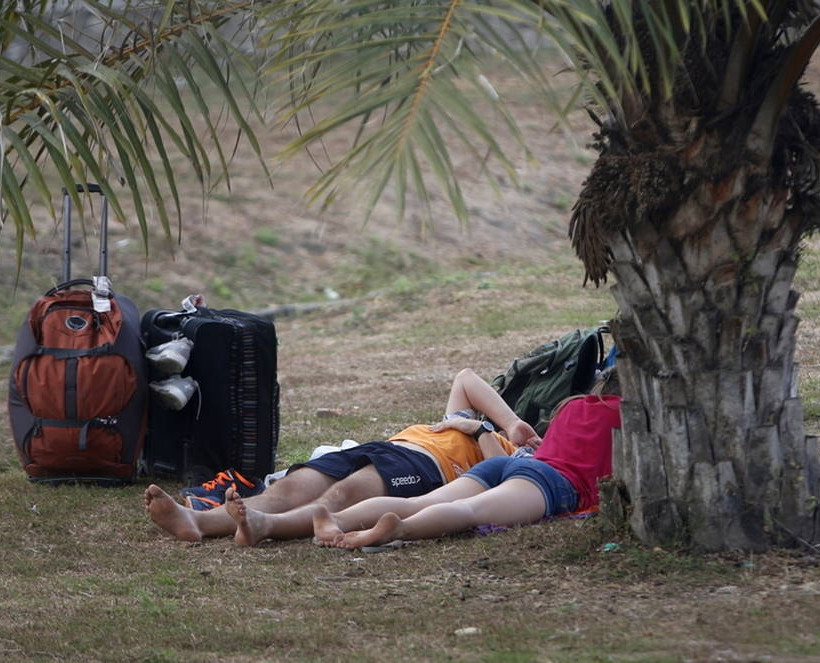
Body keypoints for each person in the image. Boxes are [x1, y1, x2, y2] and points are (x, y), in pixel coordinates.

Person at [224, 367, 621, 549]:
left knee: (414, 501)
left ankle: (328, 521)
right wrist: (501, 426)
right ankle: (396, 530)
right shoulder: (626, 417)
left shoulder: (573, 407)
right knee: (469, 511)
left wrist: (485, 430)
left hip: (501, 465)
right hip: (543, 479)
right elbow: (466, 379)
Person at [144, 368, 539, 543]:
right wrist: (510, 422)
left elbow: (494, 474)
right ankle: (197, 521)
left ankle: (265, 527)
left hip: (427, 469)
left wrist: (485, 432)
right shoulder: (476, 424)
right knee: (293, 486)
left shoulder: (520, 462)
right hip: (388, 447)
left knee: (342, 496)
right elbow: (466, 378)